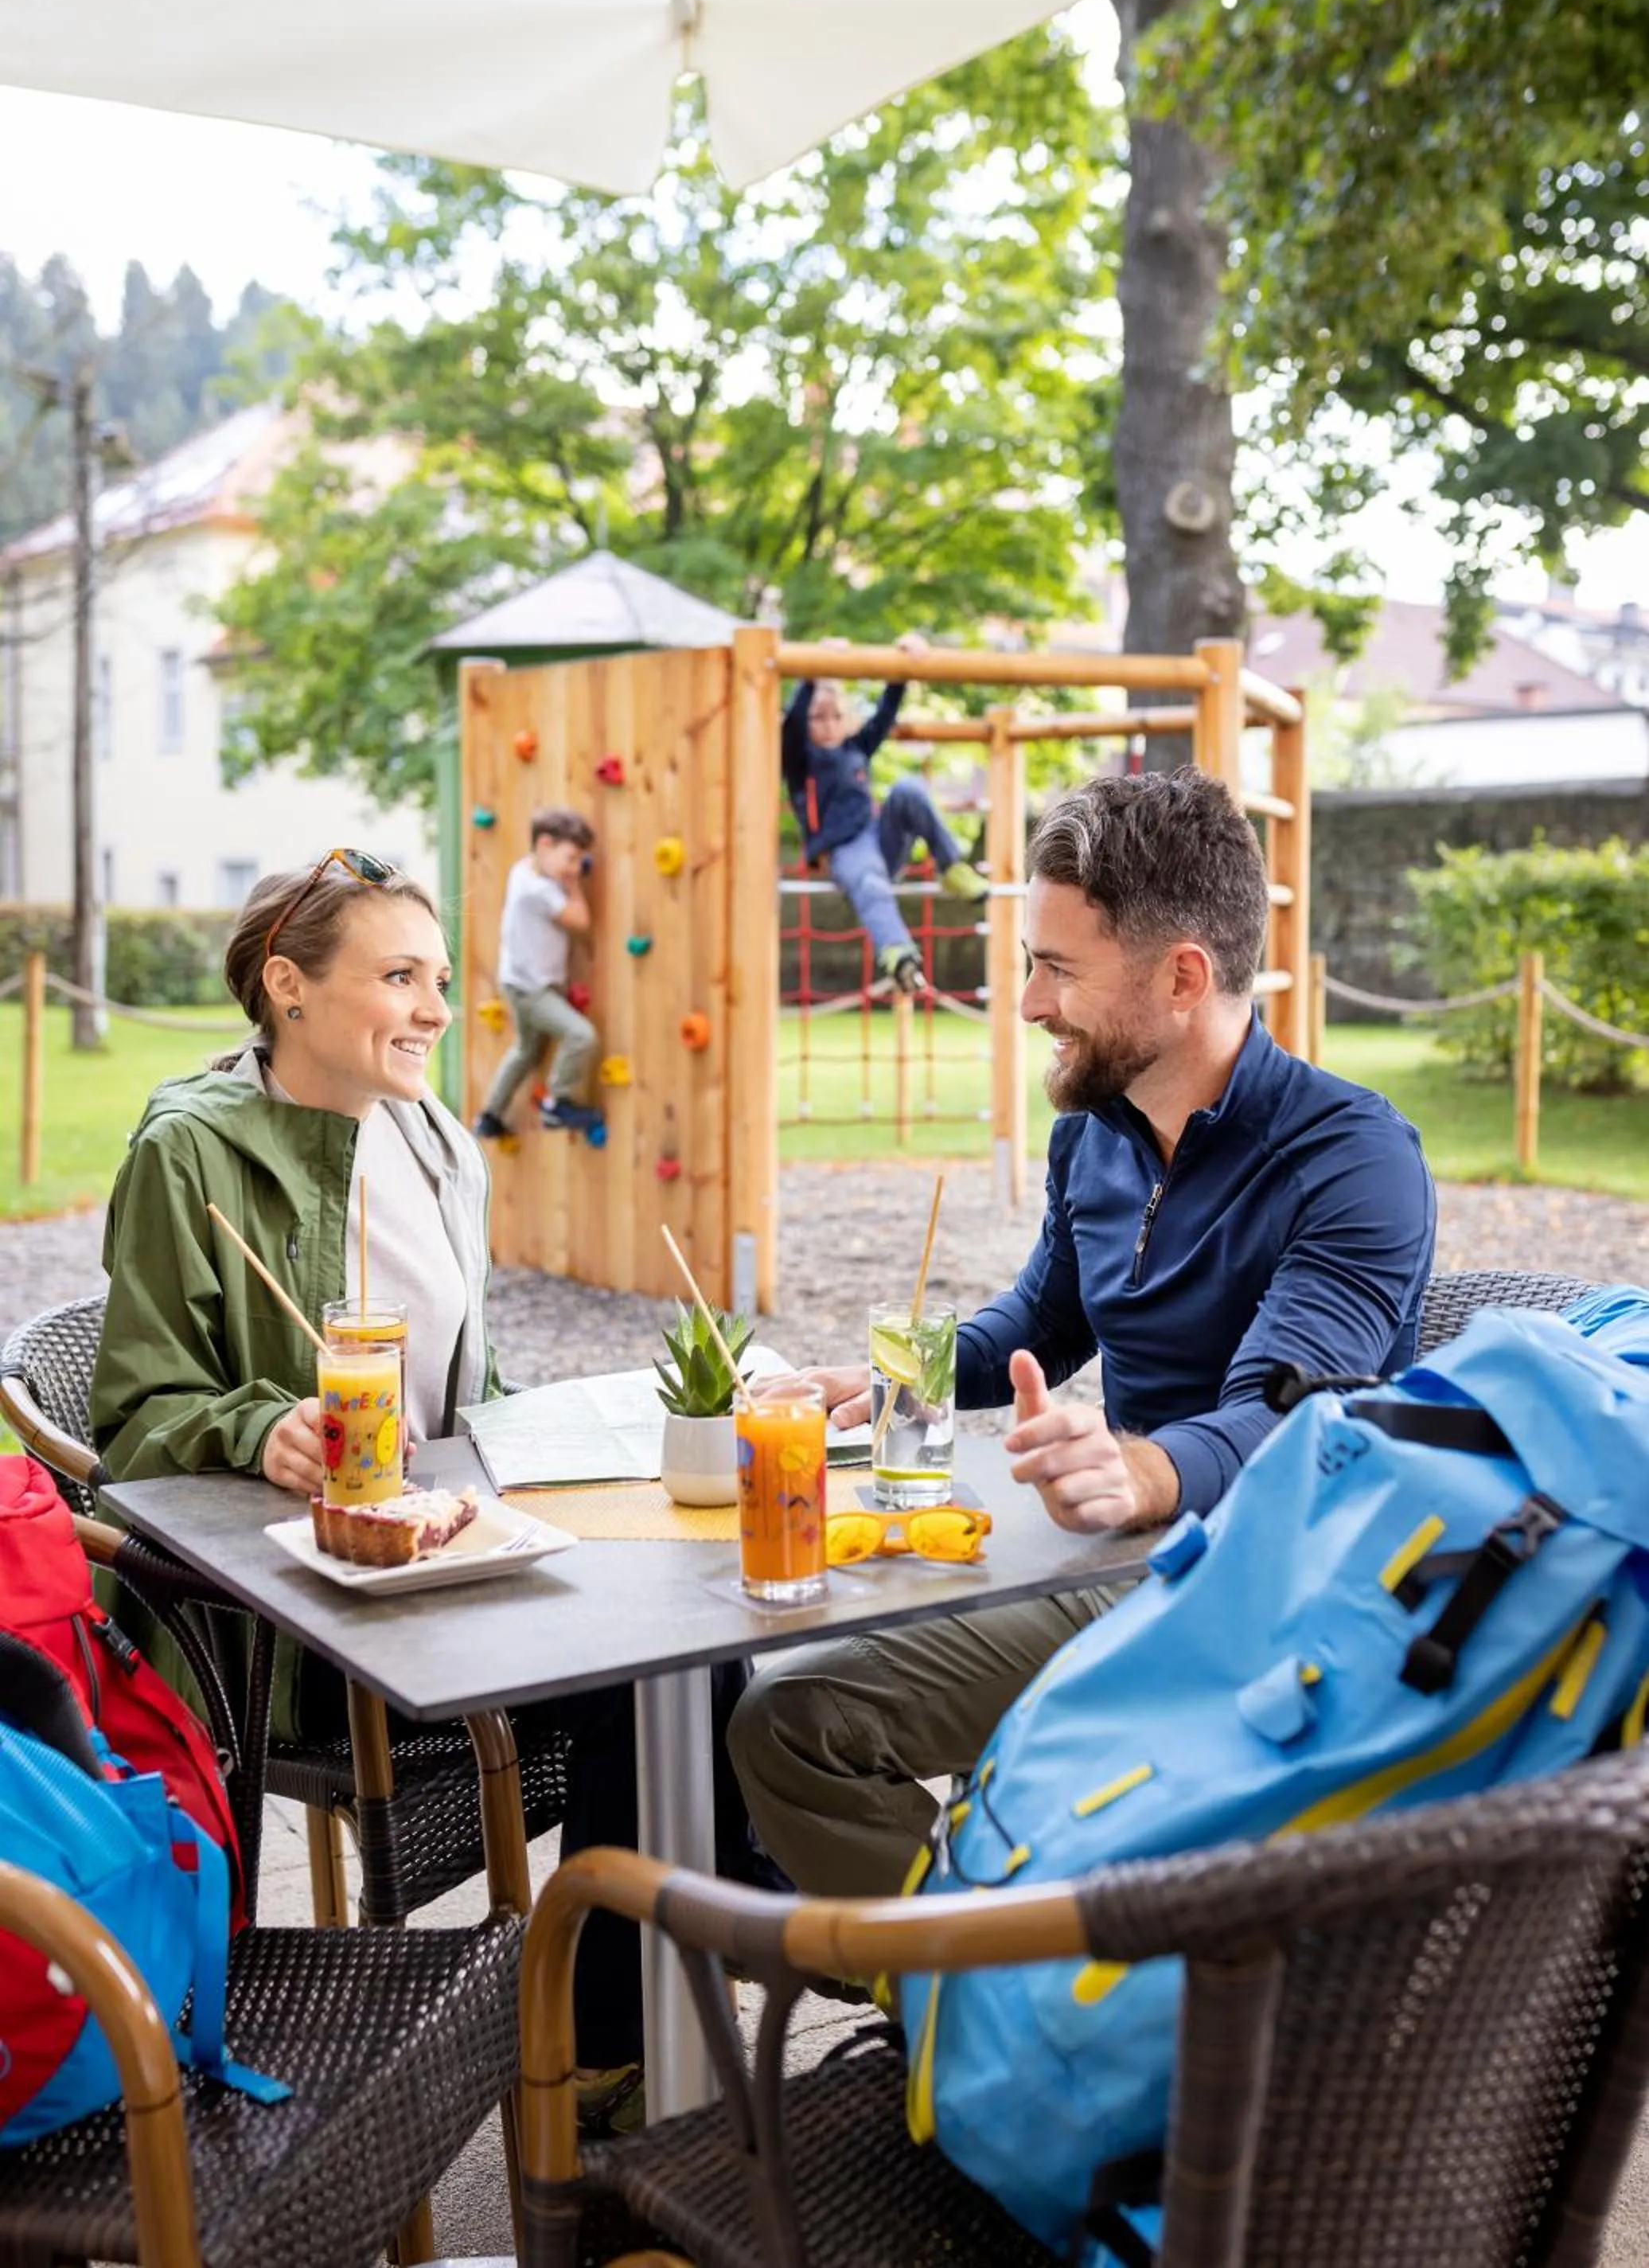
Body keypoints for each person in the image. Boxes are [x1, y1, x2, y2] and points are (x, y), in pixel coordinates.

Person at [90, 846, 762, 2129]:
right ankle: (657, 2013)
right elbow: (134, 1420)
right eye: (400, 978)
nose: (440, 1012)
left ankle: (611, 2050)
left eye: (442, 979)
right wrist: (258, 1427)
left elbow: (475, 1390)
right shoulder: (191, 1153)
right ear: (286, 986)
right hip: (304, 1612)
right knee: (657, 1679)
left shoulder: (444, 1145)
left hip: (461, 1557)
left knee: (696, 1649)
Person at [730, 767, 1437, 1896]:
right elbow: (1040, 1323)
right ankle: (998, 1973)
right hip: (1115, 1541)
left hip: (1254, 1580)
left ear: (1182, 978)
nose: (1025, 1004)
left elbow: (1291, 1417)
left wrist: (1144, 1469)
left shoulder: (1354, 1160)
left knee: (796, 1716)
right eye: (1028, 965)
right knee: (758, 1663)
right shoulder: (1095, 1140)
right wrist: (881, 1380)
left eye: (1056, 969)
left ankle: (984, 1998)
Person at [782, 658, 989, 994]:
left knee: (908, 789)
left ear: (847, 719)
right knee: (870, 882)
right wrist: (813, 672)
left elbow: (886, 712)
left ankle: (951, 866)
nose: (829, 725)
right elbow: (791, 724)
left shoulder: (856, 748)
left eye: (836, 716)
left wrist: (902, 667)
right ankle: (898, 953)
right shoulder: (798, 759)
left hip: (880, 840)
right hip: (844, 851)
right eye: (818, 717)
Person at [474, 806, 601, 1139]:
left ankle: (490, 1115)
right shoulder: (539, 891)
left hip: (518, 980)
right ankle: (558, 1104)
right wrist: (574, 886)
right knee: (581, 1035)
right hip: (533, 990)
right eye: (570, 858)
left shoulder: (523, 871)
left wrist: (566, 871)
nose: (573, 868)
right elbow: (581, 922)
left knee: (526, 1051)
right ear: (544, 845)